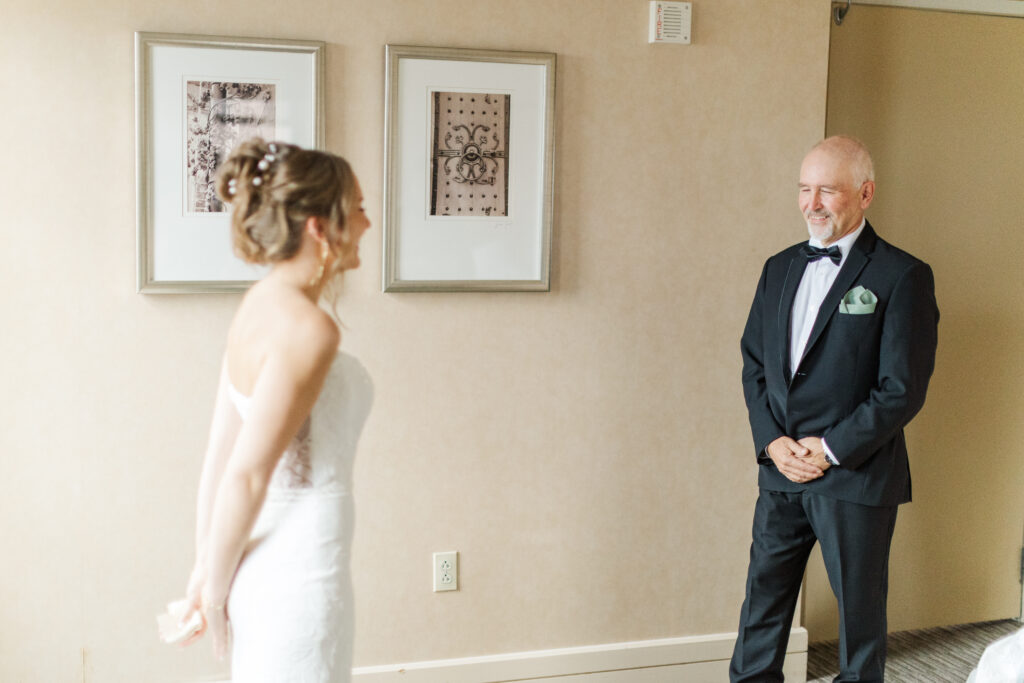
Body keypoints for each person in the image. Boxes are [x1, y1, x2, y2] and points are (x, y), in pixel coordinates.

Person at [729, 136, 939, 682]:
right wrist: (773, 442)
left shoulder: (902, 275)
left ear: (866, 193)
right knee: (761, 608)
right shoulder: (778, 268)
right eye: (804, 188)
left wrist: (829, 449)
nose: (812, 202)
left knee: (860, 623)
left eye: (828, 189)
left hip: (855, 473)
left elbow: (901, 388)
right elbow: (754, 364)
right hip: (781, 471)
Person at [179, 139, 374, 682]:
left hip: (260, 561)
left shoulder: (258, 303)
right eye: (357, 207)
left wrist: (206, 568)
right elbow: (244, 474)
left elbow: (218, 453)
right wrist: (212, 594)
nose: (367, 223)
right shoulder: (310, 328)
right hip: (302, 569)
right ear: (319, 226)